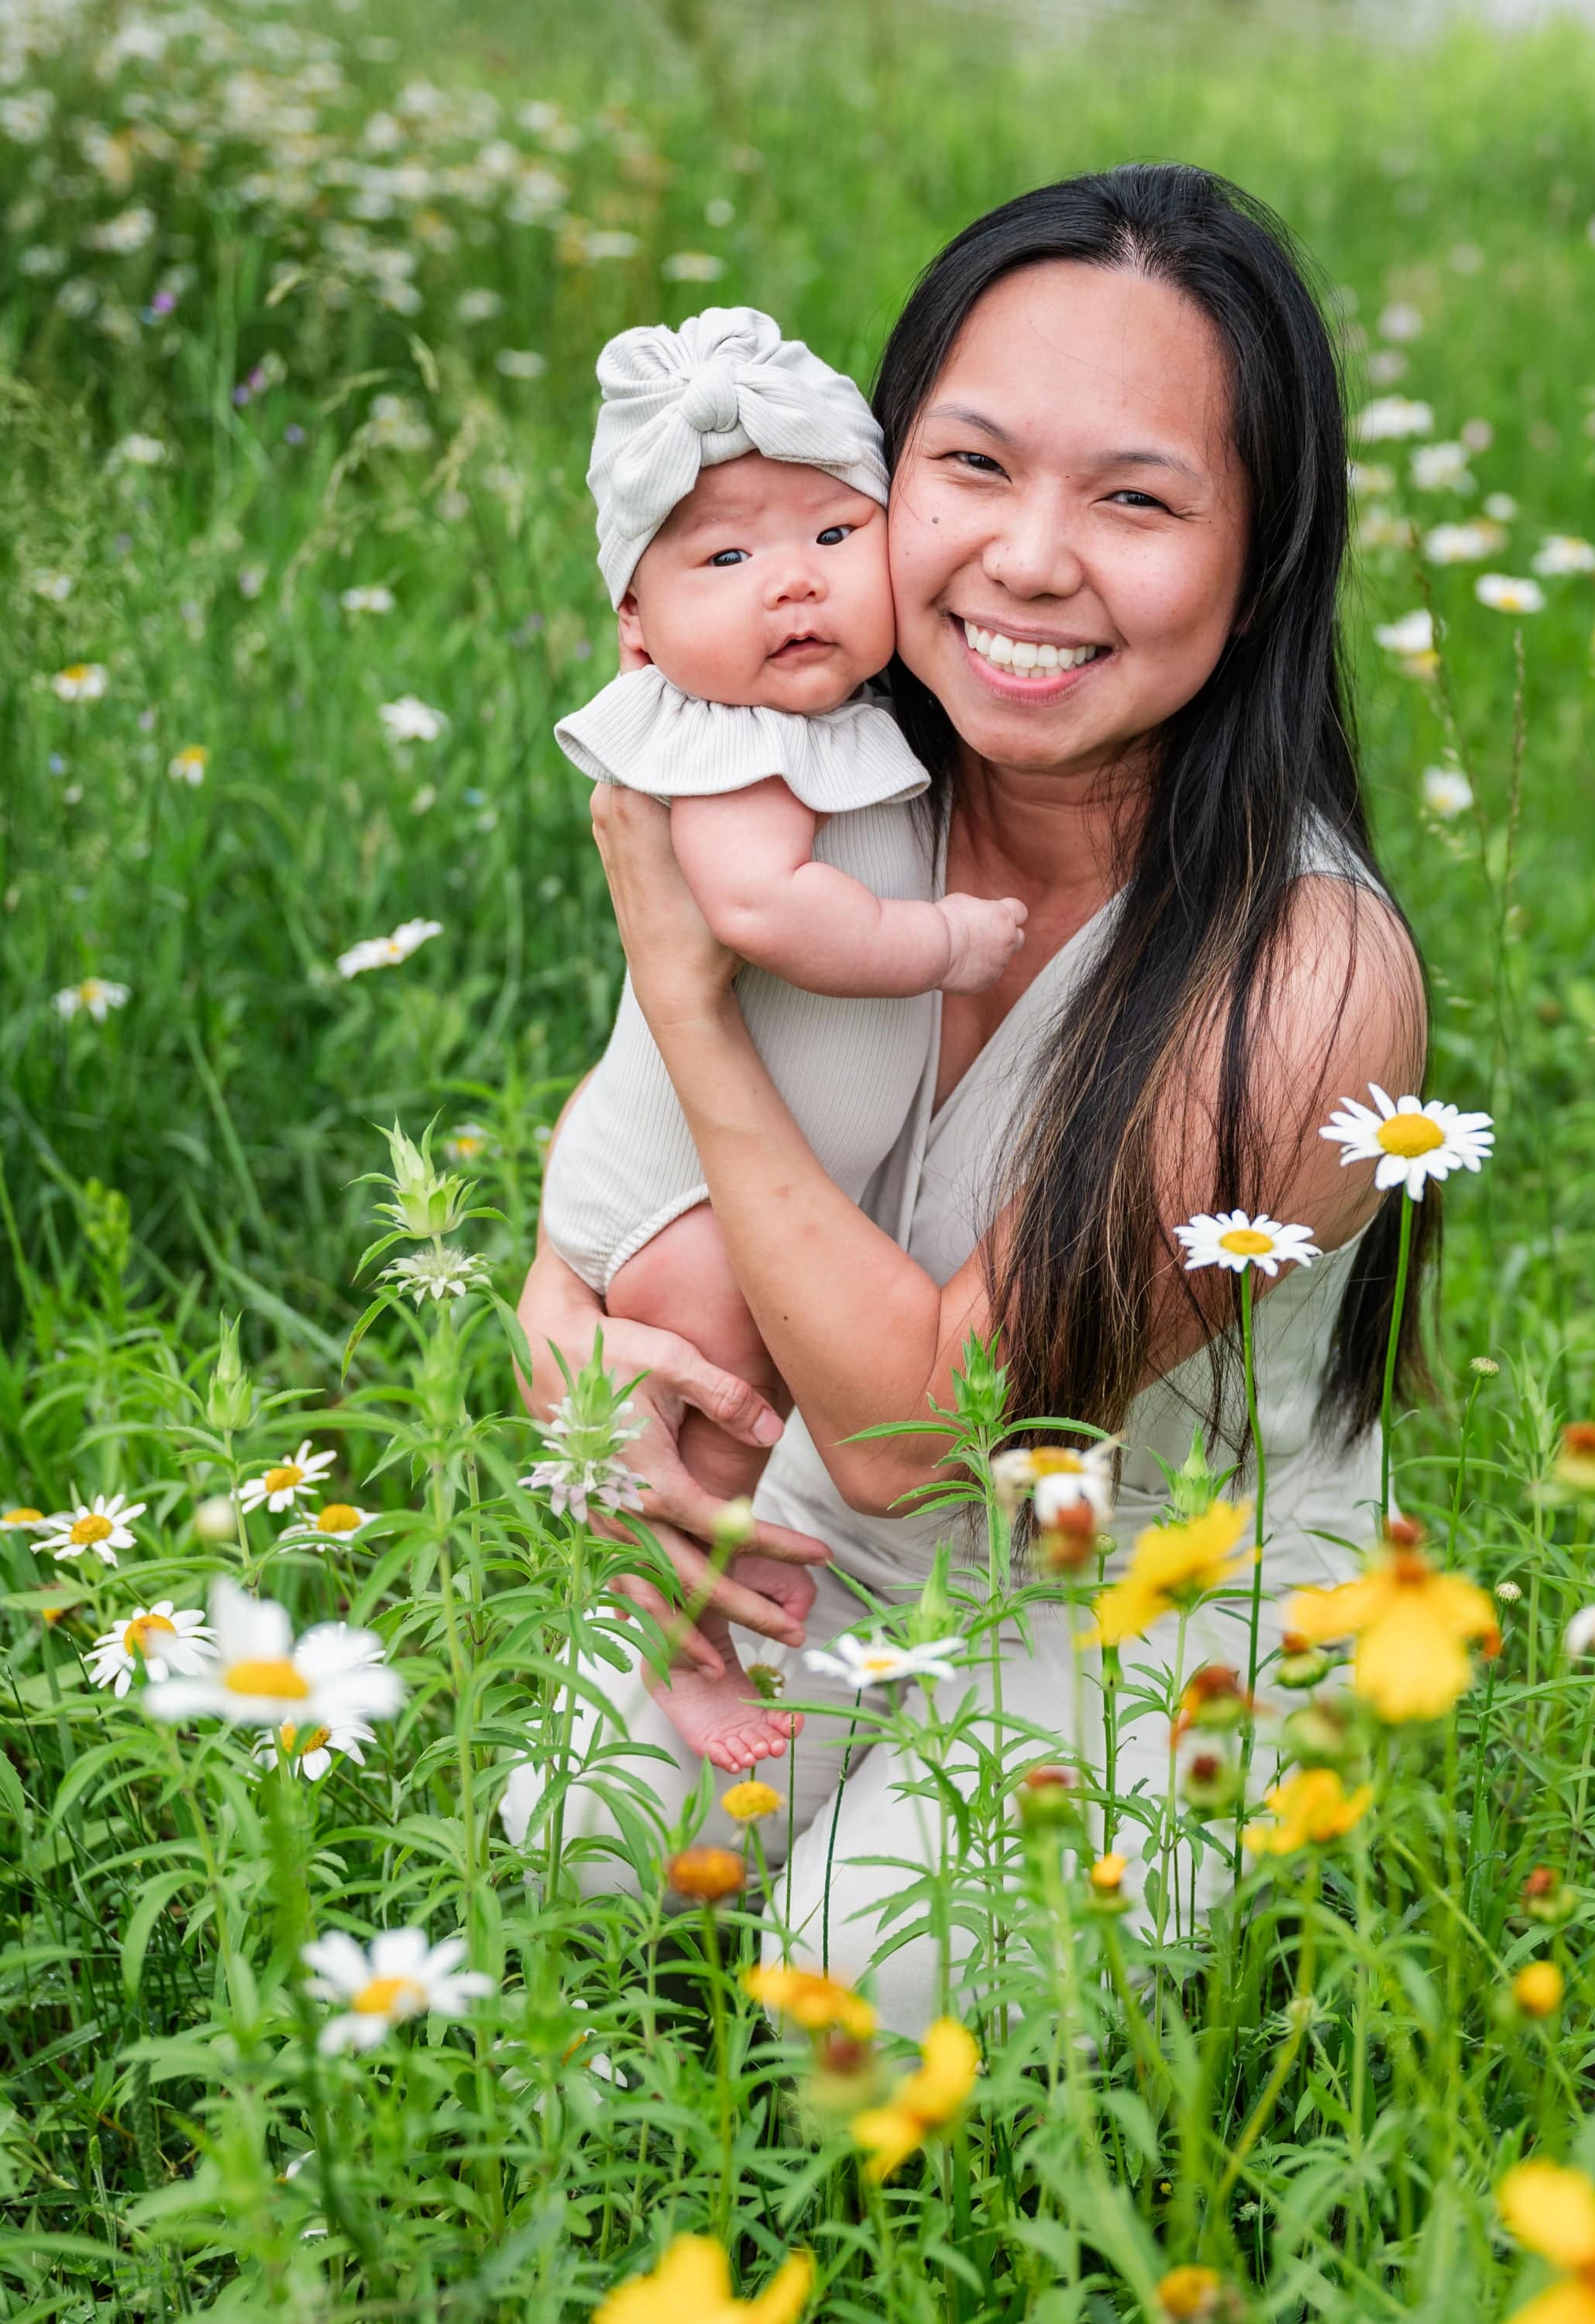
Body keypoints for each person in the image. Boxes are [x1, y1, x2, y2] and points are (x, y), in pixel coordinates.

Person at [506, 163, 1435, 2031]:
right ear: (878, 481)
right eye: (975, 467)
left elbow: (932, 1437)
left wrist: (694, 994)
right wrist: (567, 1326)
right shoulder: (816, 774)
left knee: (861, 1980)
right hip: (831, 1531)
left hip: (1168, 1586)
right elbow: (614, 1197)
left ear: (1260, 561)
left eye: (1138, 500)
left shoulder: (1309, 977)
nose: (1027, 559)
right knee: (569, 1853)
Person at [541, 304, 1025, 1773]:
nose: (794, 588)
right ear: (635, 623)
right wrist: (941, 944)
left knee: (724, 1427)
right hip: (683, 1188)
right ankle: (679, 1638)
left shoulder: (831, 724)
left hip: (718, 1163)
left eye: (831, 534)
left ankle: (705, 1618)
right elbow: (764, 911)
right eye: (726, 559)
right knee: (718, 1431)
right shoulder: (730, 743)